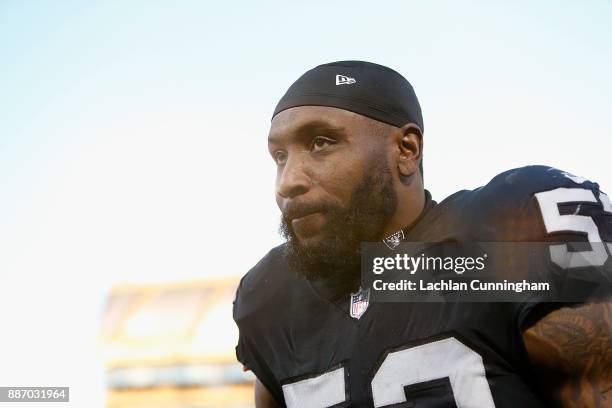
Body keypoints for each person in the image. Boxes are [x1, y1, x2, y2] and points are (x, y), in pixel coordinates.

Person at [232, 61, 612, 407]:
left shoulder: (508, 233)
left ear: (406, 149)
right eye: (280, 157)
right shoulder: (270, 298)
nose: (288, 182)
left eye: (321, 143)